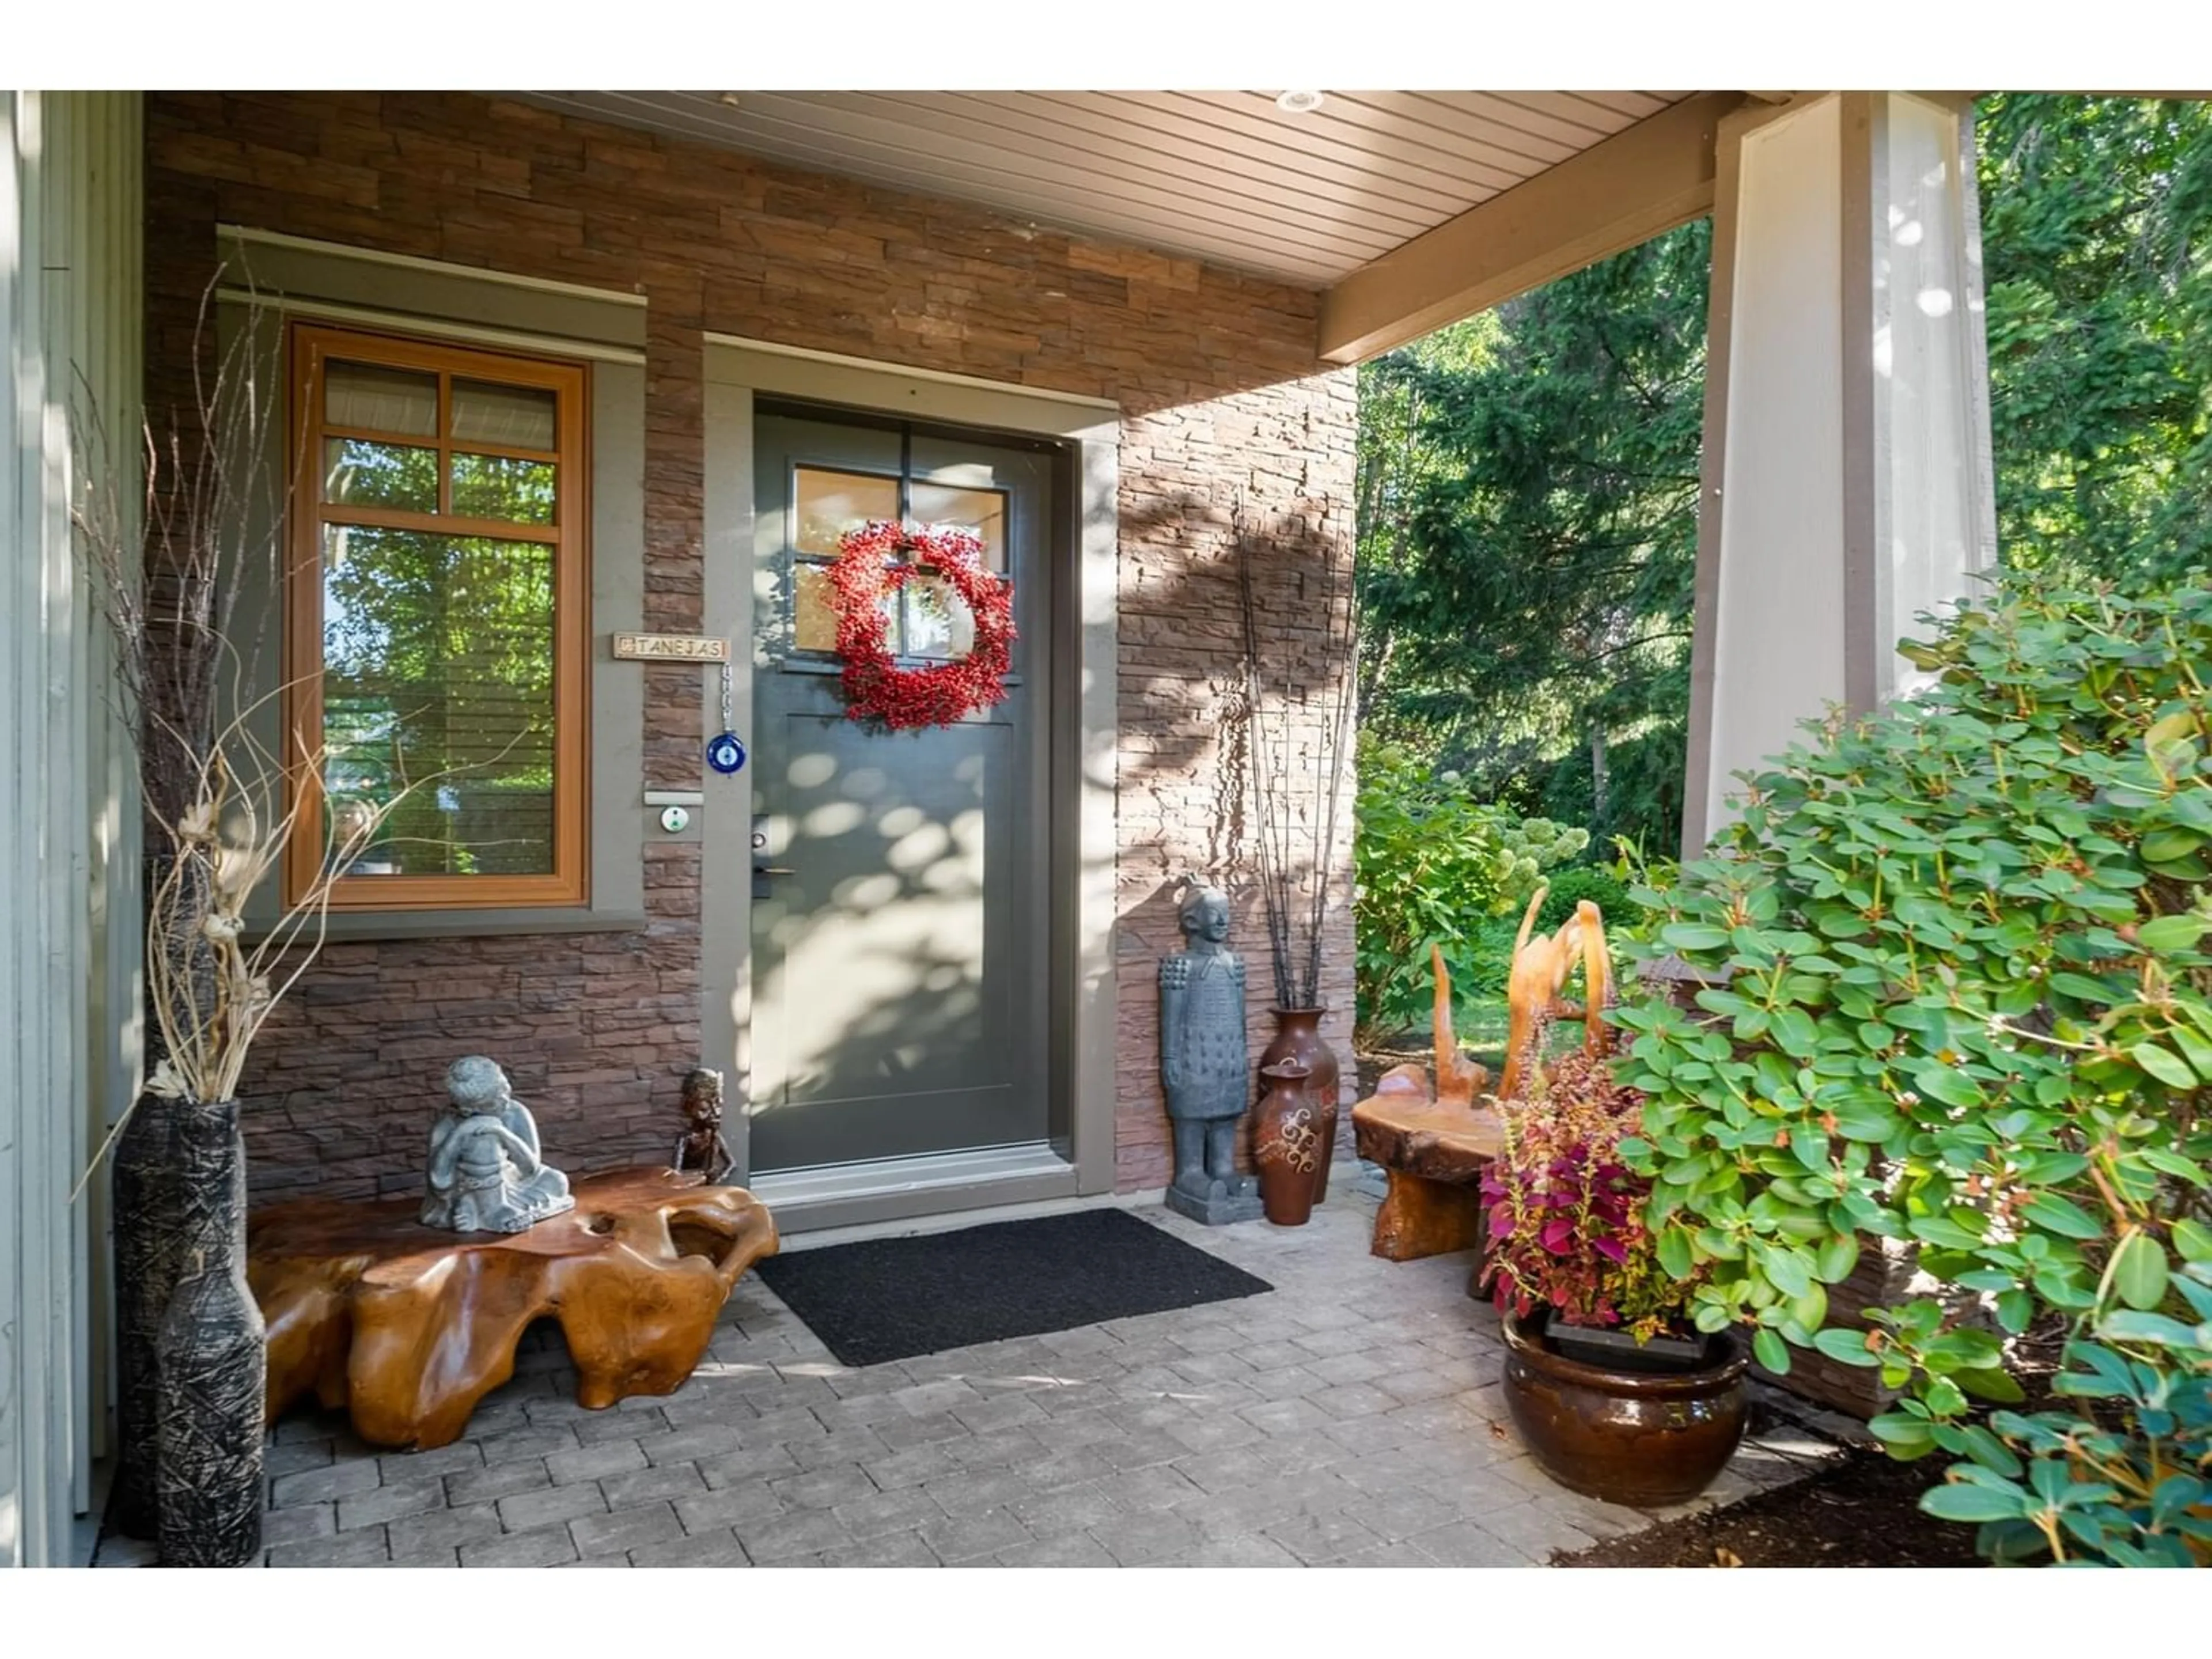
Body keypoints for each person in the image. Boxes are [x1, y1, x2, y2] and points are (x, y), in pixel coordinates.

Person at [1158, 878, 1259, 1217]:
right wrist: (1170, 1057)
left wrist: (1242, 1056)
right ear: (1191, 921)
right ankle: (1190, 1175)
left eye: (1225, 914)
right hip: (1192, 1058)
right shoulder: (1181, 966)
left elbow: (1241, 1016)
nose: (1222, 921)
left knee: (1226, 1116)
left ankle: (1224, 1171)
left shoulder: (1235, 965)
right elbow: (1170, 1018)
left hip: (1227, 1059)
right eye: (1213, 914)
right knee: (1192, 1115)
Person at [421, 1056, 574, 1233]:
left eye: (505, 1089)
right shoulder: (448, 1123)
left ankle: (479, 1209)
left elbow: (531, 1169)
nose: (505, 1100)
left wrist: (503, 1134)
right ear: (468, 1109)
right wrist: (460, 1134)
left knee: (557, 1181)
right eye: (494, 1102)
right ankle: (491, 1211)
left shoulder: (515, 1112)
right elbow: (438, 1180)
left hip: (512, 1181)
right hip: (468, 1186)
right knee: (483, 1140)